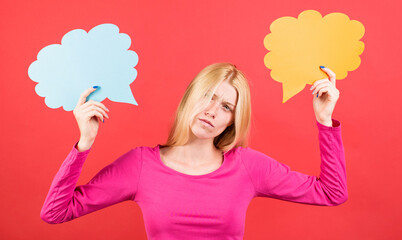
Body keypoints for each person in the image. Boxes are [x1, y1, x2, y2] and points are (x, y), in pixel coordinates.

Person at [40, 63, 347, 239]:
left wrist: (324, 120)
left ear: (232, 120)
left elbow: (332, 193)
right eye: (208, 97)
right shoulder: (141, 165)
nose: (213, 111)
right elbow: (55, 212)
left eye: (226, 106)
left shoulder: (247, 167)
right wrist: (84, 142)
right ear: (189, 98)